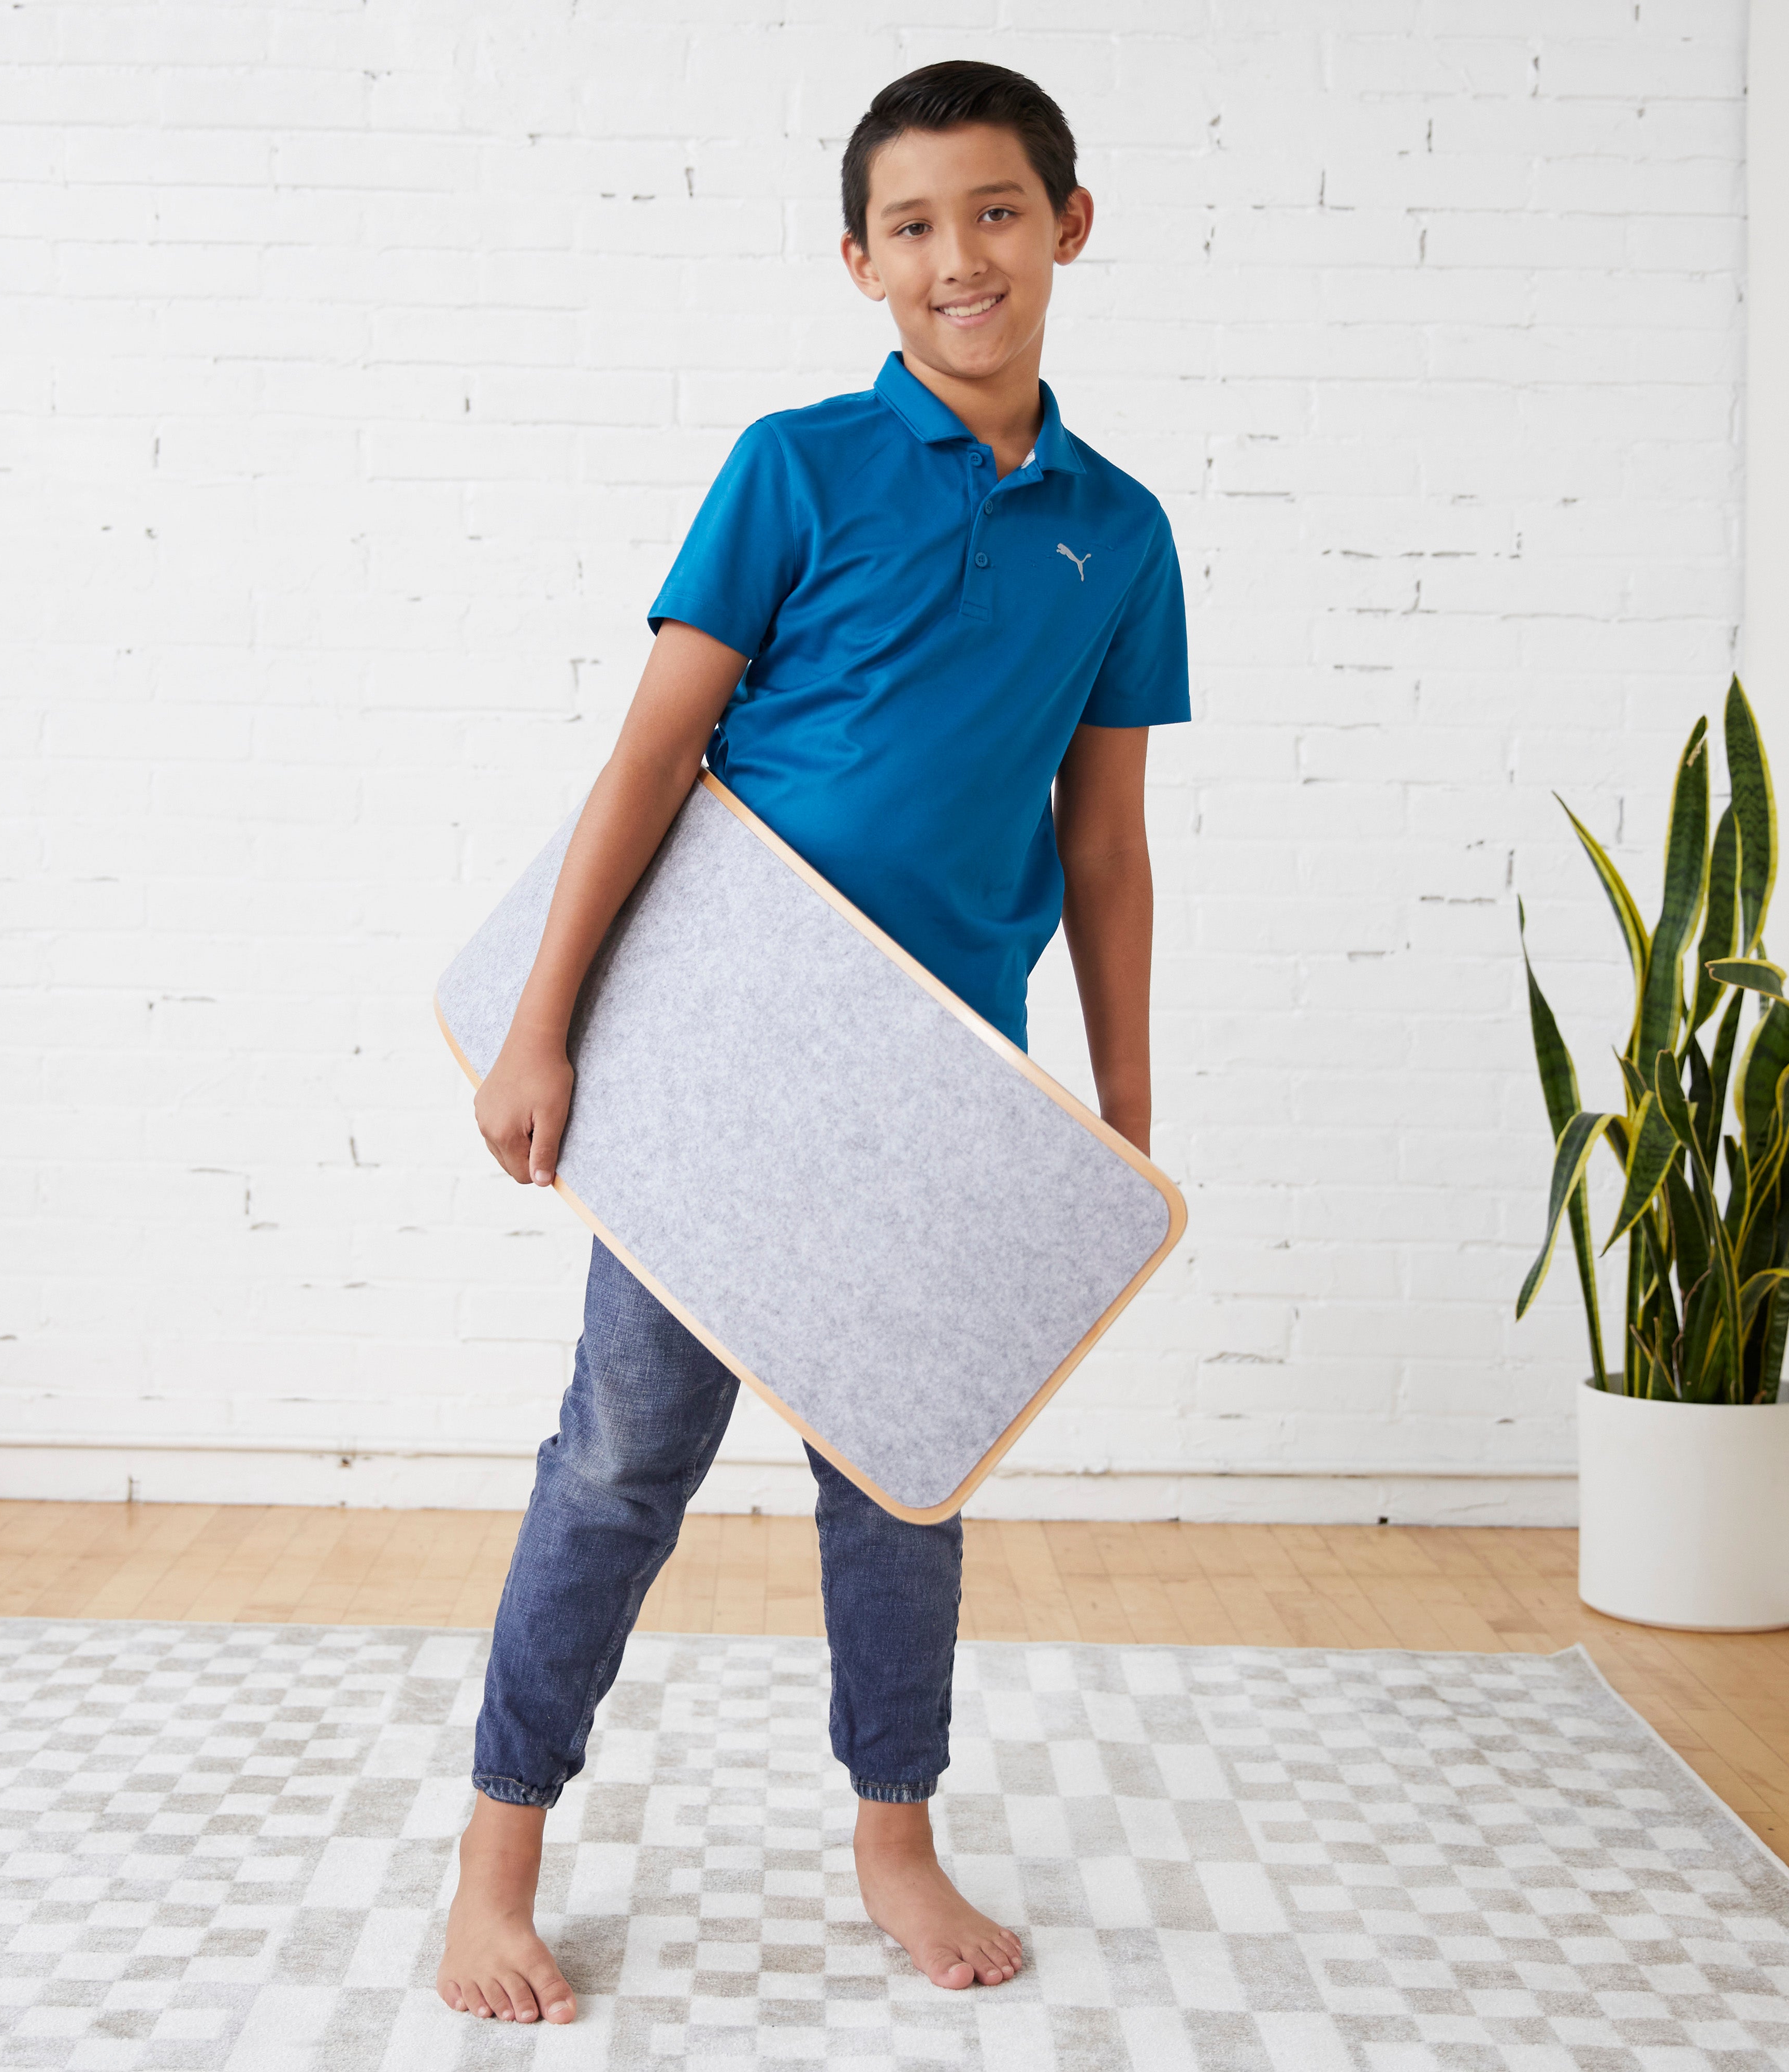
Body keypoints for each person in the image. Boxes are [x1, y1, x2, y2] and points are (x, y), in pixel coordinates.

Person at [437, 58, 1190, 2025]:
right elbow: (650, 757)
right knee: (619, 1460)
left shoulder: (1122, 537)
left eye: (1001, 213)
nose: (964, 258)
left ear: (1069, 228)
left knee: (905, 1477)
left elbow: (1101, 849)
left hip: (938, 1074)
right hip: (716, 1038)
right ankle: (495, 1859)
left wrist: (1116, 1117)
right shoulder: (796, 466)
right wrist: (542, 1029)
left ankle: (895, 1837)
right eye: (919, 227)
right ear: (862, 262)